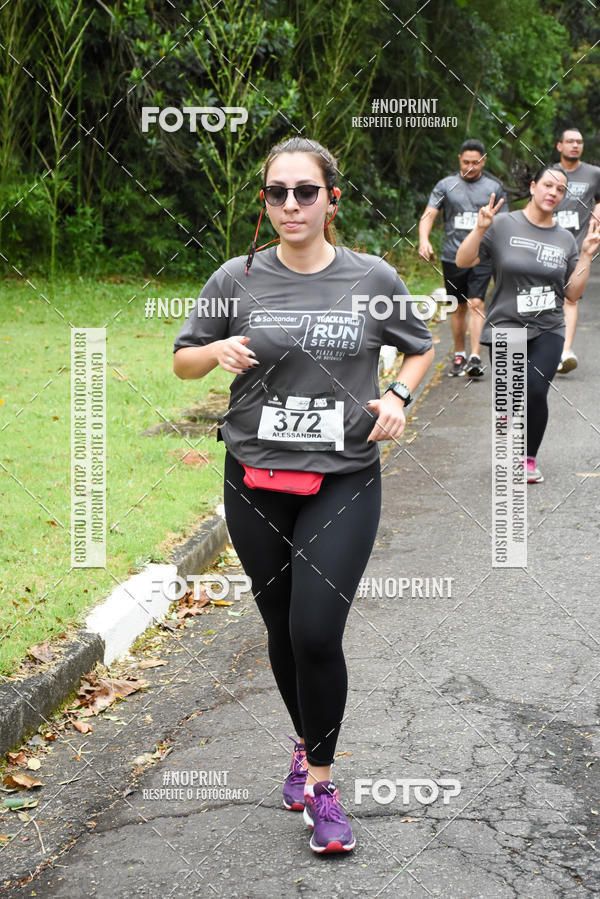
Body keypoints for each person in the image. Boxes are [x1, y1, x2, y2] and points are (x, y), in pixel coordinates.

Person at [173, 137, 434, 853]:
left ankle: (322, 786)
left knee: (317, 631)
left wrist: (400, 395)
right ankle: (303, 739)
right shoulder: (237, 276)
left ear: (332, 199)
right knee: (283, 623)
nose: (290, 204)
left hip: (343, 478)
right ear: (265, 201)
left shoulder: (372, 275)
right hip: (254, 477)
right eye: (276, 193)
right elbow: (182, 362)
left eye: (305, 192)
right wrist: (214, 352)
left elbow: (420, 344)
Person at [456, 166, 600, 483]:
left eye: (560, 190)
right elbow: (463, 262)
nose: (553, 193)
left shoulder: (565, 238)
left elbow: (572, 293)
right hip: (507, 323)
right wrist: (480, 229)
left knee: (534, 390)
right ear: (534, 187)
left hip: (549, 326)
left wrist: (587, 254)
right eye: (548, 185)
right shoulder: (504, 224)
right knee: (509, 397)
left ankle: (528, 459)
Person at [419, 139, 509, 378]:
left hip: (482, 256)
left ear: (484, 161)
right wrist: (423, 239)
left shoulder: (494, 187)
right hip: (453, 256)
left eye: (476, 162)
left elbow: (504, 222)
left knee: (476, 303)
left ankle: (475, 357)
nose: (471, 166)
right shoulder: (446, 185)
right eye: (466, 162)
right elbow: (429, 214)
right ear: (459, 159)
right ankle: (459, 354)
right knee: (458, 307)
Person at [553, 127, 600, 373]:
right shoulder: (551, 173)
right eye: (570, 141)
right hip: (549, 245)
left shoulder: (594, 174)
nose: (575, 145)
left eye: (579, 142)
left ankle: (565, 351)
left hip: (577, 247)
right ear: (559, 145)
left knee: (570, 299)